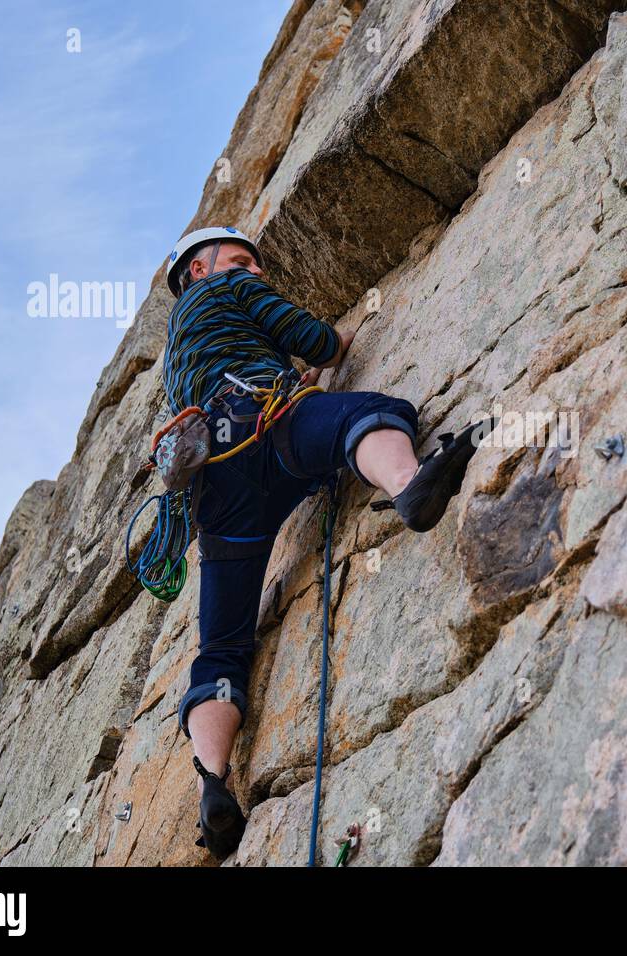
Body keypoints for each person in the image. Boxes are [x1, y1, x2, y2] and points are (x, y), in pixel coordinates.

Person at [161, 226, 488, 859]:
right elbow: (316, 340)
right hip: (265, 421)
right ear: (201, 271)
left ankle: (213, 781)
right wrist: (333, 345)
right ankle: (408, 484)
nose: (251, 269)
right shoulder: (226, 289)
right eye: (237, 260)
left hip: (217, 493)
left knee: (222, 647)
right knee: (363, 414)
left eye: (250, 263)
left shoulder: (178, 354)